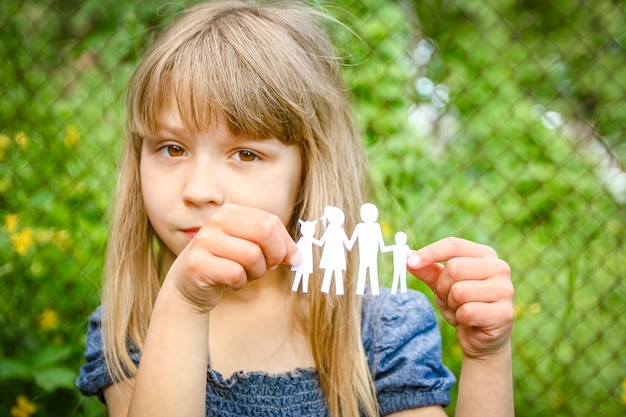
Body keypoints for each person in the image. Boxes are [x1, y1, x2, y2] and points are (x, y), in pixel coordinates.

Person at [76, 1, 515, 416]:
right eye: (172, 148)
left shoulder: (378, 330)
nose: (199, 190)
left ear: (307, 170)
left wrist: (487, 357)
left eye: (245, 154)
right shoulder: (132, 326)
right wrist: (183, 303)